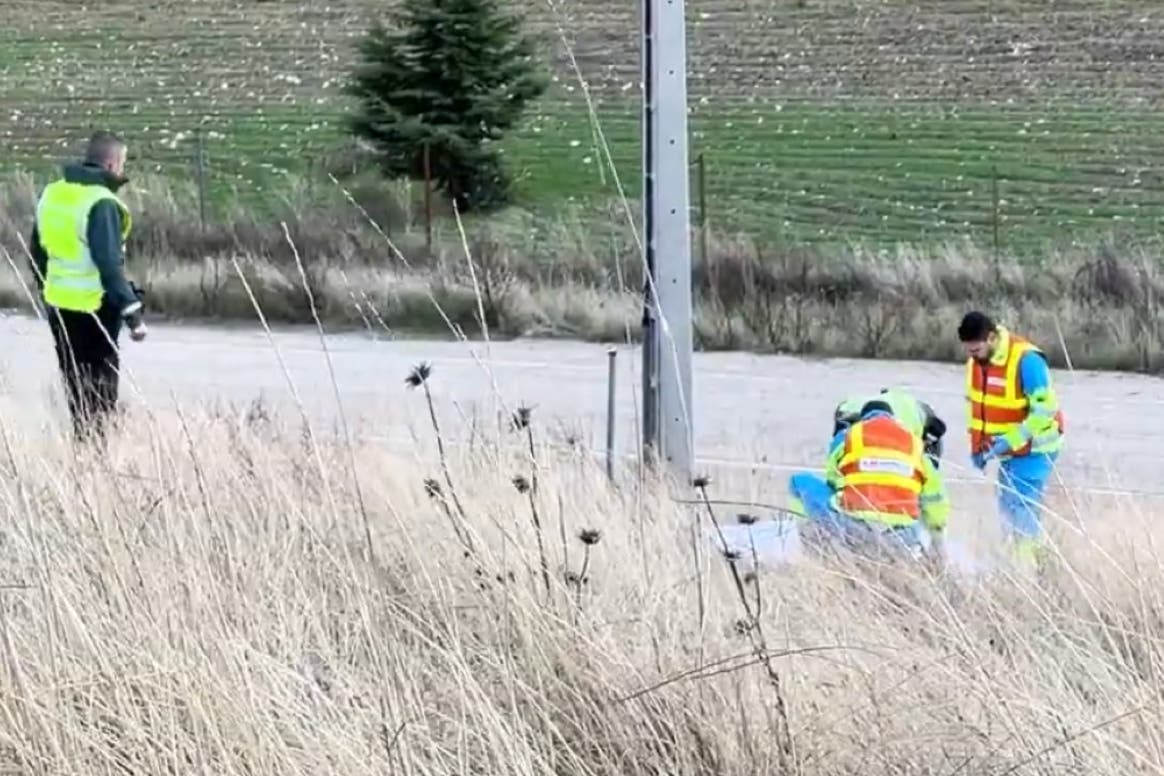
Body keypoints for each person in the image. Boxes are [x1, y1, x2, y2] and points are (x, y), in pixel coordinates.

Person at [29, 130, 147, 442]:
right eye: (121, 164)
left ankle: (83, 449)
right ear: (111, 164)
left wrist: (47, 291)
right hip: (97, 307)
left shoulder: (52, 194)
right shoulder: (101, 203)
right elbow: (108, 264)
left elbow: (37, 253)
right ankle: (99, 456)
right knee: (102, 389)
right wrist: (132, 313)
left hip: (59, 305)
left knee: (75, 384)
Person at [957, 311, 1064, 567]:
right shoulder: (976, 364)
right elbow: (977, 410)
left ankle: (1025, 569)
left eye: (977, 350)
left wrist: (1010, 441)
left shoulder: (1027, 360)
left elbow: (1044, 411)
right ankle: (1022, 561)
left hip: (1036, 447)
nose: (974, 356)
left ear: (992, 338)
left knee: (1020, 505)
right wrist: (977, 447)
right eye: (969, 351)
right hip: (1008, 450)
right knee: (1007, 505)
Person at [789, 399, 951, 562]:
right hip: (902, 537)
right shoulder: (915, 443)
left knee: (799, 482)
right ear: (892, 419)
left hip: (854, 528)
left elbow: (833, 479)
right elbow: (935, 499)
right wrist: (938, 546)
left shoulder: (850, 435)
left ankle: (812, 556)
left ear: (863, 419)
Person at [832, 388, 947, 467]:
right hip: (852, 415)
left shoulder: (913, 412)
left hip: (848, 412)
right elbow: (929, 470)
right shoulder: (916, 420)